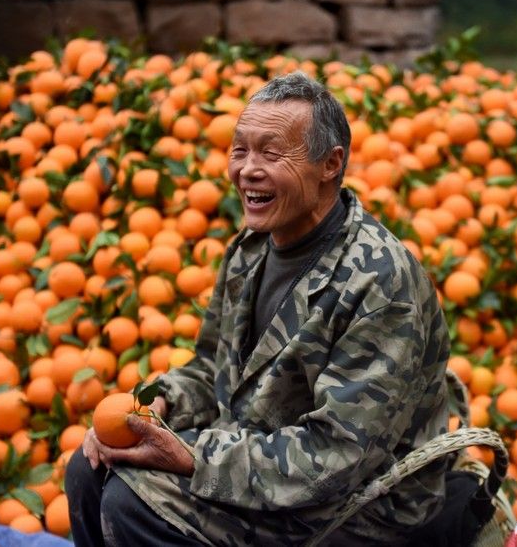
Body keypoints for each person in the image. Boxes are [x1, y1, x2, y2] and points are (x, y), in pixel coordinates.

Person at [66, 72, 452, 545]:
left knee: (133, 505)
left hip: (368, 500)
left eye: (271, 153)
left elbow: (340, 452)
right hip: (263, 454)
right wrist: (157, 406)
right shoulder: (249, 251)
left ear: (330, 164)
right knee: (87, 470)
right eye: (239, 150)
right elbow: (213, 369)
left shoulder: (380, 280)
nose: (247, 169)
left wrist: (195, 456)